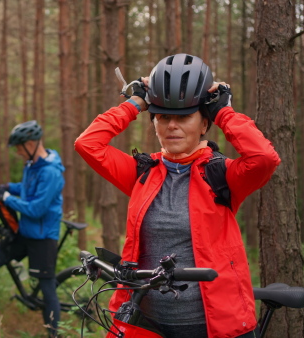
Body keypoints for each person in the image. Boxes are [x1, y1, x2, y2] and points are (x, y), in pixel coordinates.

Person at [74, 53, 281, 338]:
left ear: (204, 124)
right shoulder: (142, 173)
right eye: (163, 117)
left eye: (184, 117)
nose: (172, 125)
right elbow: (88, 144)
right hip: (146, 323)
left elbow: (264, 158)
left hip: (211, 326)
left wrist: (223, 111)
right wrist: (136, 103)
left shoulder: (221, 175)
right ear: (154, 123)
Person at [0, 120, 65, 337]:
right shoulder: (32, 165)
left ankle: (54, 334)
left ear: (31, 144)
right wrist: (9, 188)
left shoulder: (51, 172)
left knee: (47, 288)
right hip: (25, 231)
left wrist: (8, 198)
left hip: (43, 237)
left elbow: (36, 209)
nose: (18, 153)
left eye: (20, 148)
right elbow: (28, 189)